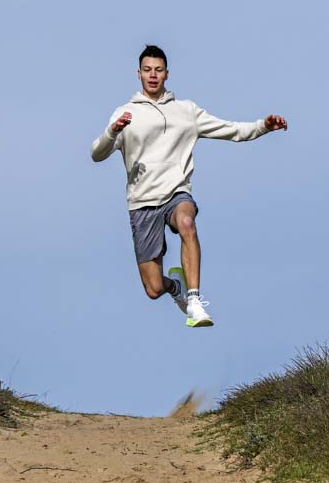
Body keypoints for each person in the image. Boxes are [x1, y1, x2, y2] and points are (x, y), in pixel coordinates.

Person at [91, 45, 288, 328]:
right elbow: (97, 154)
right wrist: (113, 132)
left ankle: (194, 300)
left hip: (176, 192)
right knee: (153, 288)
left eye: (158, 70)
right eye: (147, 70)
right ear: (138, 74)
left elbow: (233, 130)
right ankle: (176, 287)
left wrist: (264, 126)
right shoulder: (125, 113)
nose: (153, 75)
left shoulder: (187, 111)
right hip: (142, 202)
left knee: (186, 221)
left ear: (167, 74)